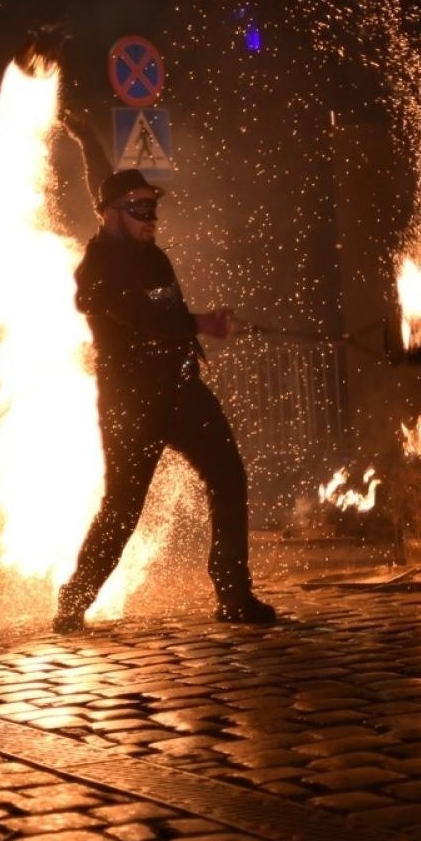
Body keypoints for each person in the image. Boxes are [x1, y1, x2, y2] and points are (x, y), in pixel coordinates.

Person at [52, 113, 276, 633]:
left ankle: (233, 593)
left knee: (228, 476)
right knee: (123, 509)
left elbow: (104, 184)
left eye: (153, 207)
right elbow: (137, 316)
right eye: (139, 209)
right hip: (132, 407)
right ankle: (74, 598)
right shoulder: (97, 268)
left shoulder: (152, 254)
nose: (151, 216)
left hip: (181, 392)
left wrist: (88, 136)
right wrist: (197, 321)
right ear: (111, 216)